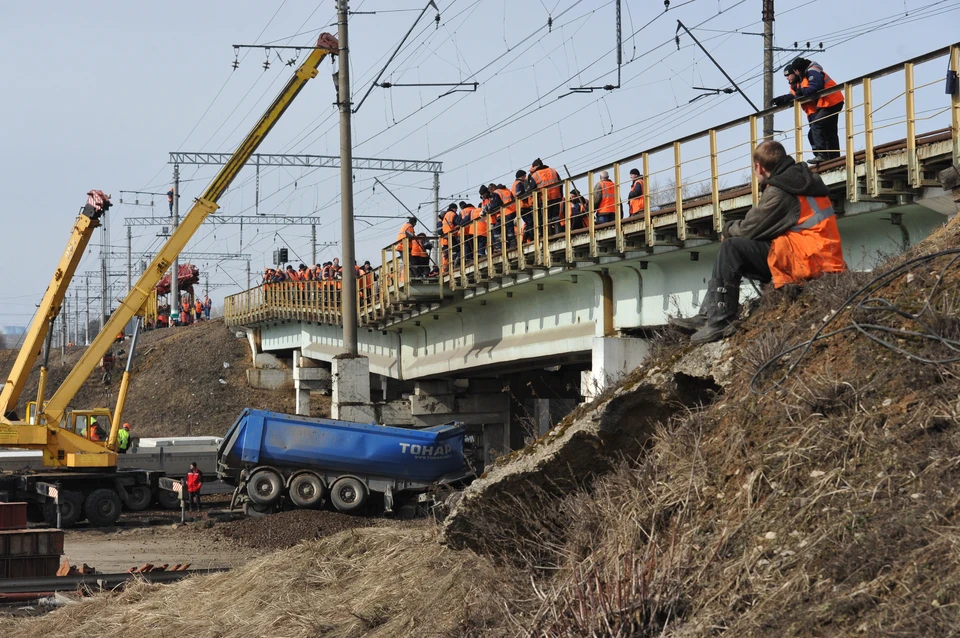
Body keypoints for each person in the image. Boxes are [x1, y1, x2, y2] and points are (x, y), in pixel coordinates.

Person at [669, 140, 846, 344]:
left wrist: (727, 229)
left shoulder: (781, 190)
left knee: (731, 247)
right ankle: (707, 315)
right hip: (816, 256)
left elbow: (750, 228)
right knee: (740, 244)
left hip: (807, 262)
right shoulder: (801, 180)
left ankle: (720, 320)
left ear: (758, 167)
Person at [771, 58, 844, 163]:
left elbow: (813, 88)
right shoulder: (798, 83)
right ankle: (831, 158)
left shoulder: (810, 74)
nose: (786, 78)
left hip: (830, 101)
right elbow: (794, 95)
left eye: (788, 75)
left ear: (796, 71)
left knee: (819, 127)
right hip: (827, 104)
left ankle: (824, 156)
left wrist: (801, 92)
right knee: (826, 131)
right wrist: (781, 100)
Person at [530, 158, 563, 235]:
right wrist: (561, 195)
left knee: (547, 218)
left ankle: (549, 235)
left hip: (545, 199)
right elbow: (561, 183)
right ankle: (557, 234)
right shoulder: (553, 170)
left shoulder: (535, 175)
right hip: (556, 196)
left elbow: (531, 189)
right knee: (556, 217)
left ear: (537, 165)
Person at [512, 169, 535, 243]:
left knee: (528, 223)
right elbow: (520, 194)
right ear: (522, 176)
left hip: (519, 206)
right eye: (525, 176)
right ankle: (531, 238)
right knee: (530, 222)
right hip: (523, 206)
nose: (525, 177)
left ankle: (525, 238)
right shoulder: (519, 183)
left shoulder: (514, 184)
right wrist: (527, 194)